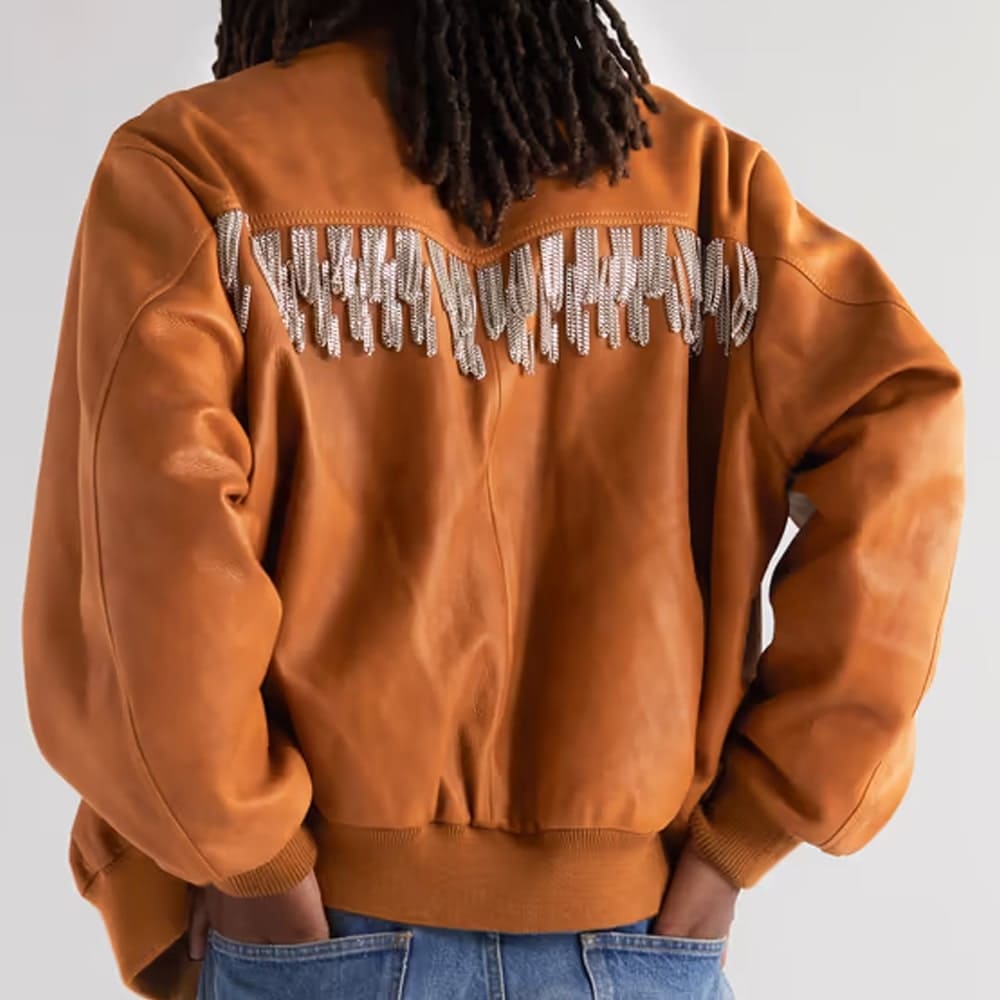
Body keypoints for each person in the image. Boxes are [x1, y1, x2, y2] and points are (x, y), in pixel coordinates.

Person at [22, 2, 965, 998]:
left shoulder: (198, 169)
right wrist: (747, 830)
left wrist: (253, 860)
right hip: (637, 936)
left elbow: (152, 558)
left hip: (318, 930)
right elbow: (897, 419)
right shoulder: (705, 186)